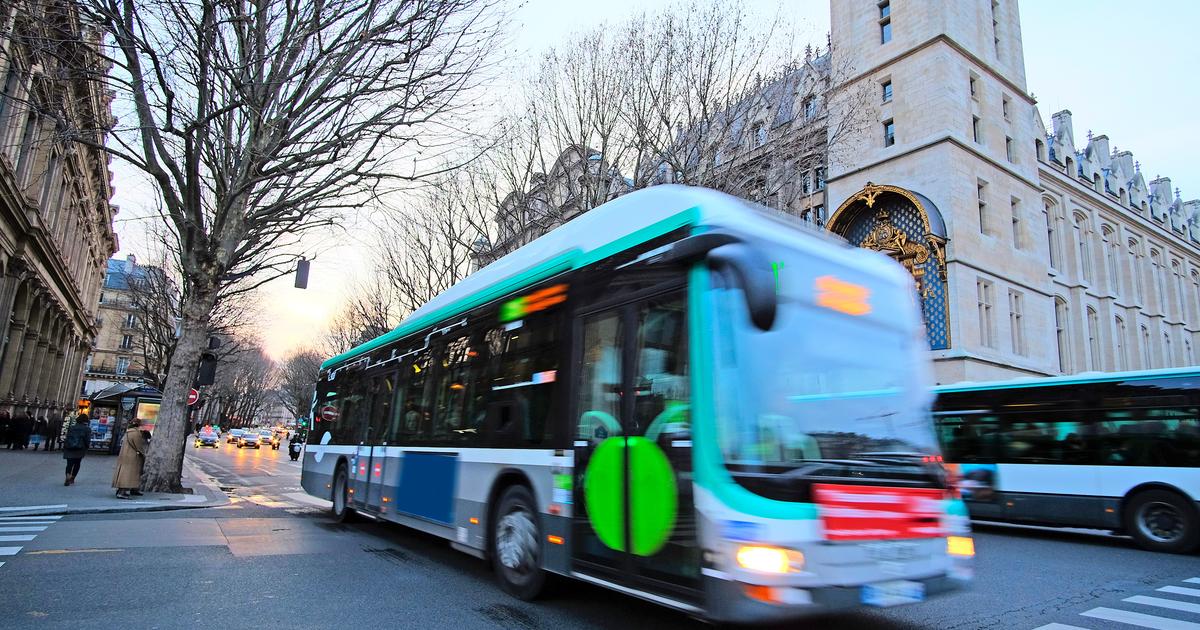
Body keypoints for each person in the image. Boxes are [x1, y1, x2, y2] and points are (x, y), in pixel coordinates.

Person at [112, 422, 147, 499]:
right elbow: (138, 445)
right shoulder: (136, 434)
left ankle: (127, 489)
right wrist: (144, 453)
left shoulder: (128, 432)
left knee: (125, 473)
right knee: (129, 474)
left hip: (125, 455)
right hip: (133, 456)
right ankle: (122, 491)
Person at [62, 414, 91, 486]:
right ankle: (72, 478)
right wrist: (87, 446)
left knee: (69, 464)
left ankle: (67, 476)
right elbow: (87, 440)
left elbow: (67, 437)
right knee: (77, 463)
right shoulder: (87, 429)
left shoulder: (71, 427)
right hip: (80, 448)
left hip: (69, 447)